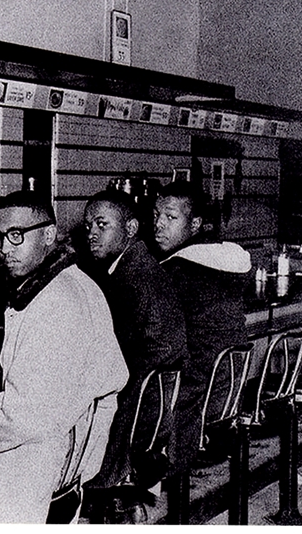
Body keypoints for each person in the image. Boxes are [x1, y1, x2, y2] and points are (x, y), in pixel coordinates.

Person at [0, 190, 128, 523]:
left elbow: (21, 414)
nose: (5, 249)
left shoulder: (55, 302)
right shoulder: (79, 284)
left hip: (30, 473)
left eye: (16, 236)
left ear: (48, 235)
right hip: (66, 469)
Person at [80, 191, 187, 505]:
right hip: (154, 414)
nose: (92, 234)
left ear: (130, 228)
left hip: (133, 424)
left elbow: (110, 361)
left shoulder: (129, 279)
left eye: (102, 224)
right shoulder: (139, 266)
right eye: (88, 226)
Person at [152, 181, 251, 473]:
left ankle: (124, 491)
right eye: (156, 215)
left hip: (192, 404)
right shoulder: (225, 262)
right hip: (226, 396)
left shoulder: (178, 271)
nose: (159, 224)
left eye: (170, 218)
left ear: (195, 224)